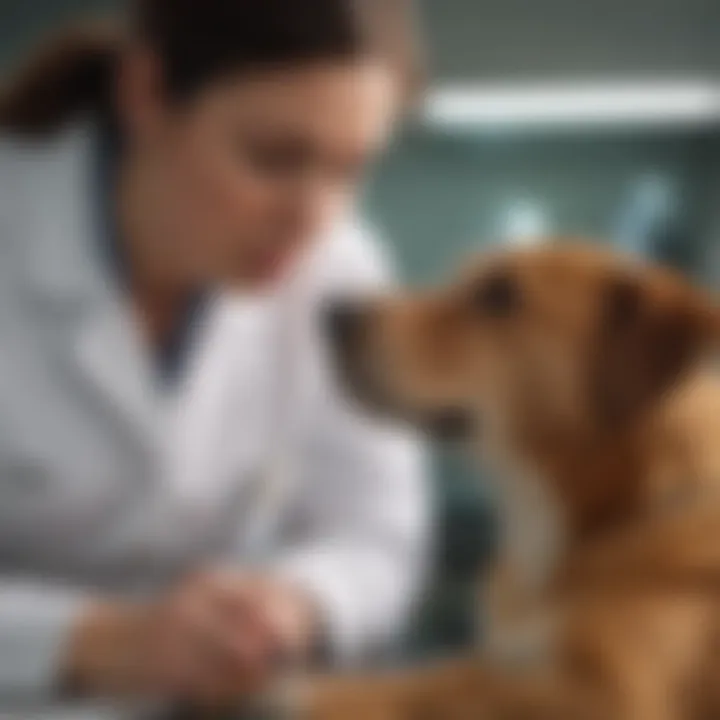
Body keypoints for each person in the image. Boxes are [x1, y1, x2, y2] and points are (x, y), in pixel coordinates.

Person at [0, 0, 427, 714]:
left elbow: (376, 532)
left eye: (351, 170)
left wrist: (292, 605)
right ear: (146, 93)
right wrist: (98, 640)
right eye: (275, 158)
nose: (313, 217)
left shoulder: (339, 267)